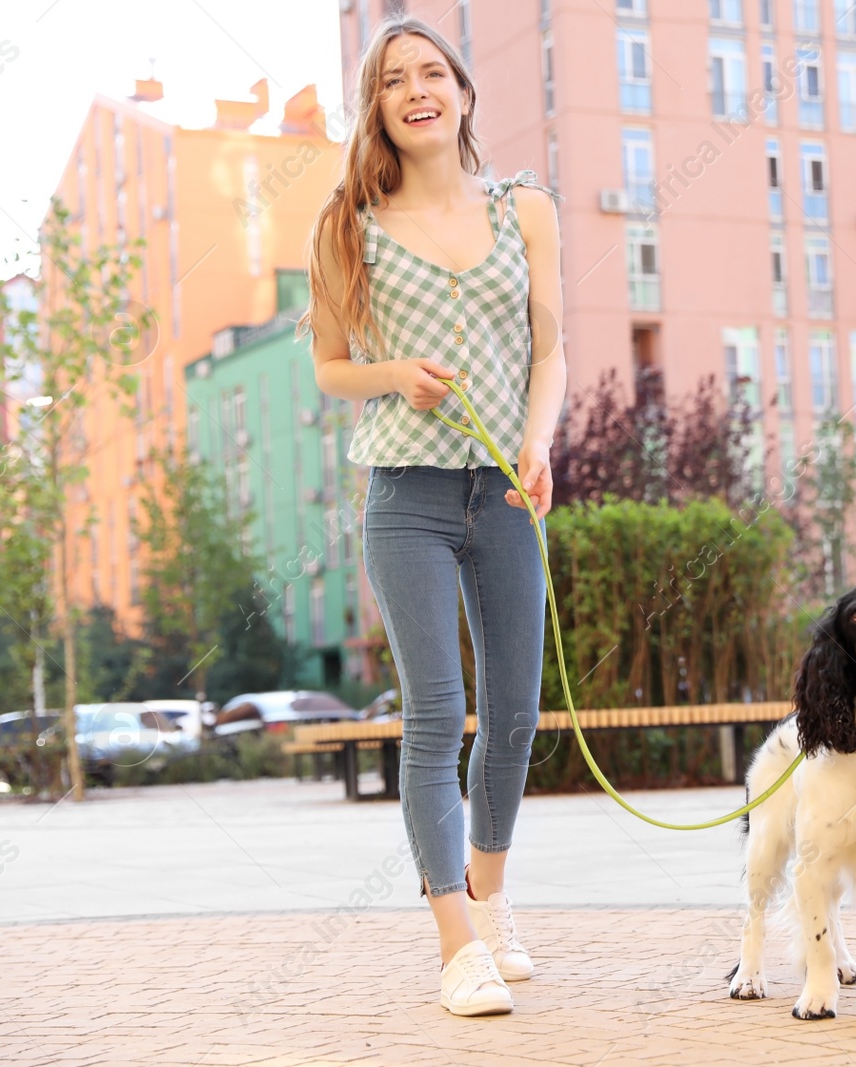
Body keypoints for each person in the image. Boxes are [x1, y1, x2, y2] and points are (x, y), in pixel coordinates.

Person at [300, 15, 566, 1017]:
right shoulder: (345, 223)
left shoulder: (525, 208)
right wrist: (393, 376)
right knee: (432, 710)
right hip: (405, 493)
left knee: (512, 713)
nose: (415, 89)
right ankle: (456, 940)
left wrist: (540, 438)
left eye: (431, 73)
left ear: (461, 91)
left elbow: (552, 351)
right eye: (392, 80)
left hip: (503, 488)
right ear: (376, 107)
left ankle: (491, 906)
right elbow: (329, 364)